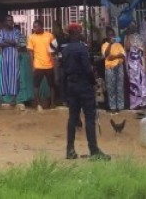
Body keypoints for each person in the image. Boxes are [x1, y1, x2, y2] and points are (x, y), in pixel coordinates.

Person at [62, 23, 110, 161]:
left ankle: (70, 150)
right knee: (89, 118)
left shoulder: (65, 50)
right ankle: (94, 151)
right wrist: (94, 83)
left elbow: (64, 72)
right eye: (81, 31)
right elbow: (88, 70)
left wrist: (65, 92)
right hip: (84, 86)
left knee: (72, 118)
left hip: (71, 86)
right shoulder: (82, 49)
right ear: (77, 33)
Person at [28, 20, 58, 110]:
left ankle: (52, 103)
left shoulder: (50, 36)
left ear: (41, 26)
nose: (34, 28)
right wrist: (32, 66)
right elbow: (31, 53)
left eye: (36, 26)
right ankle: (38, 104)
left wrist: (55, 64)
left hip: (49, 65)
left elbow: (55, 51)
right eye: (34, 26)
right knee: (36, 85)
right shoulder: (31, 37)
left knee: (52, 85)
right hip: (38, 65)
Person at [0, 15, 21, 106]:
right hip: (4, 58)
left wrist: (6, 40)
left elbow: (17, 42)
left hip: (14, 58)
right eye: (8, 20)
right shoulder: (1, 31)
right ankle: (2, 98)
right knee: (3, 76)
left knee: (14, 76)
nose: (10, 22)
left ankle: (14, 98)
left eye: (11, 20)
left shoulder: (17, 31)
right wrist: (11, 42)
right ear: (5, 22)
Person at [124, 22, 146, 110]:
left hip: (140, 63)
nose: (132, 27)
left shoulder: (140, 37)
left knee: (142, 82)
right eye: (131, 26)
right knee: (133, 84)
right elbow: (126, 49)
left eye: (134, 26)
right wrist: (127, 36)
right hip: (131, 64)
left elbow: (145, 52)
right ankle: (135, 103)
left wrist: (145, 65)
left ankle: (143, 103)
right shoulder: (127, 37)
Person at [101, 27, 125, 114]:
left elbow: (123, 55)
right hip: (110, 68)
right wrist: (110, 45)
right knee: (111, 88)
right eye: (109, 35)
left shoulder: (119, 44)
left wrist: (114, 57)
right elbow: (106, 55)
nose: (111, 36)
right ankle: (113, 107)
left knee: (119, 87)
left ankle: (120, 106)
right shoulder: (104, 45)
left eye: (112, 35)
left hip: (119, 67)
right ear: (107, 36)